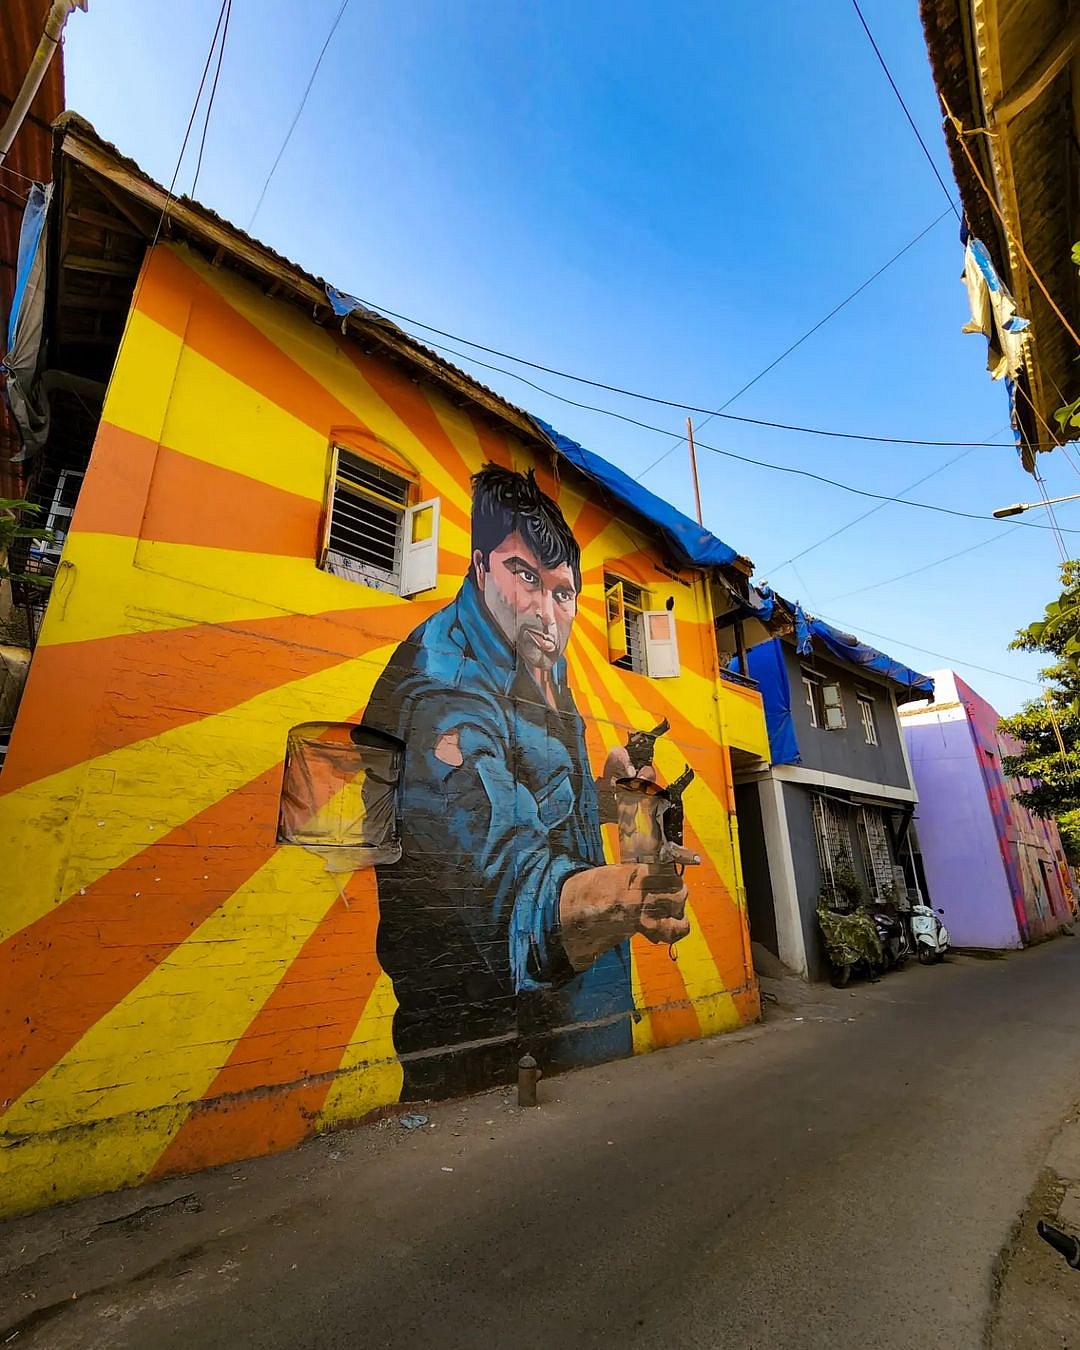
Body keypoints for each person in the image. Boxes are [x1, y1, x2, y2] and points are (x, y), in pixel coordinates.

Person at [362, 464, 690, 1098]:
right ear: (481, 567)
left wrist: (609, 792)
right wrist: (630, 894)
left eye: (562, 592)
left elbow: (538, 804)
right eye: (525, 577)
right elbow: (509, 887)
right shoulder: (446, 691)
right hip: (489, 1061)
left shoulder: (529, 652)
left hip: (579, 1038)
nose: (547, 609)